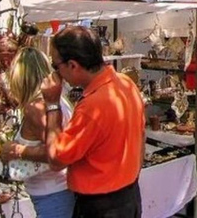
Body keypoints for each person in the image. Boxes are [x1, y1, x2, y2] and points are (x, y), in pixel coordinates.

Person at [40, 26, 146, 218]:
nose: (56, 73)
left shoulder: (93, 106)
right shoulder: (125, 83)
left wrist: (52, 105)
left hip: (102, 205)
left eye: (56, 66)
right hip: (128, 195)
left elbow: (56, 158)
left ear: (73, 65)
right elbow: (141, 136)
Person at [0, 48, 75, 218]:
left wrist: (18, 151)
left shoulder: (36, 108)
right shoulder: (59, 100)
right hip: (60, 189)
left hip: (53, 193)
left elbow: (56, 153)